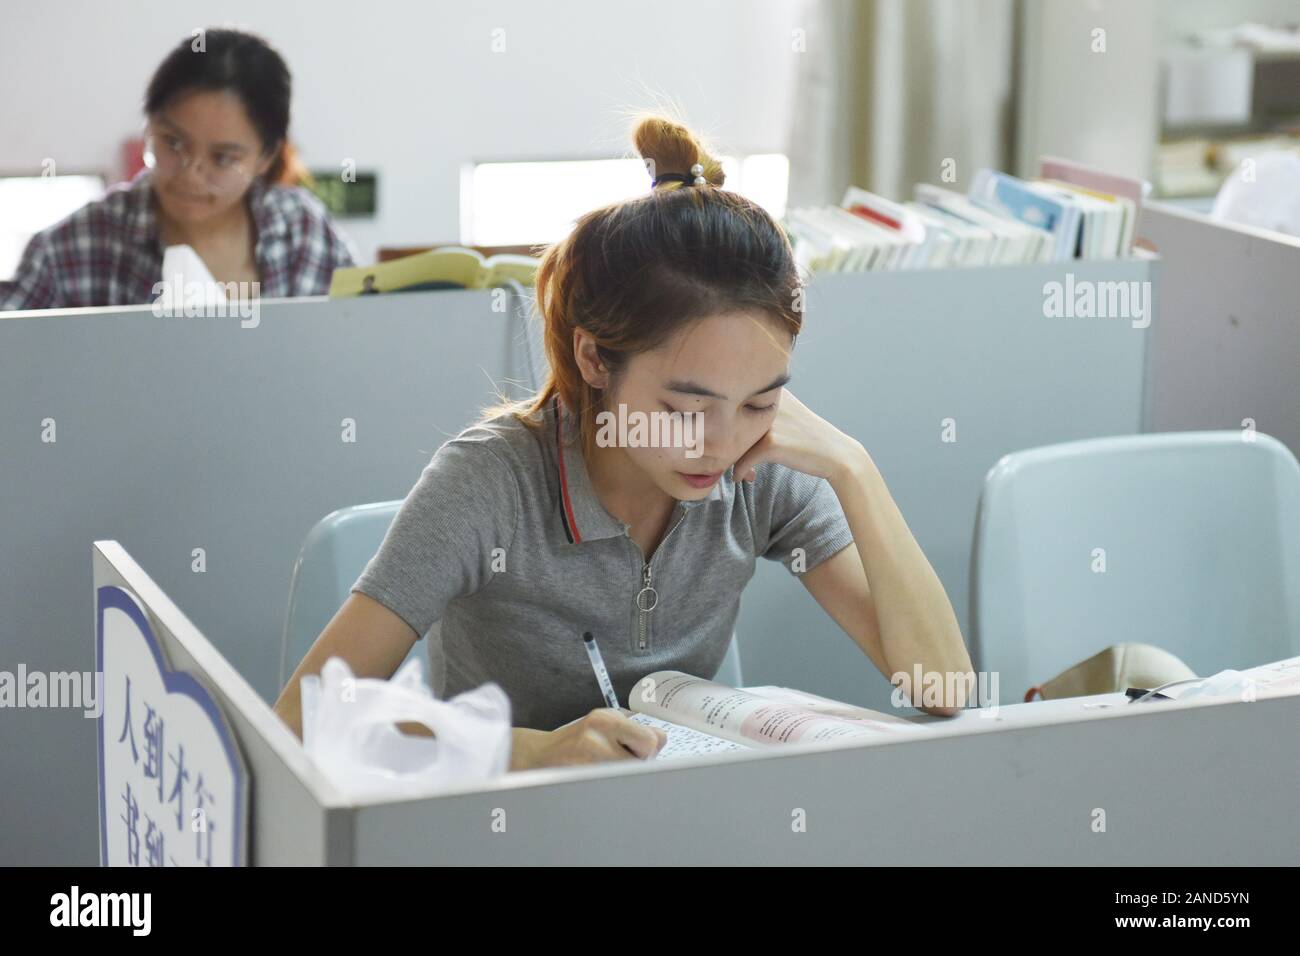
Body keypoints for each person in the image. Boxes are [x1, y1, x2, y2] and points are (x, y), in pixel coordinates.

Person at [274, 115, 973, 770]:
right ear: (594, 361)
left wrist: (855, 468)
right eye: (684, 407)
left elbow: (942, 687)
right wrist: (536, 752)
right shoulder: (488, 483)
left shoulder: (763, 469)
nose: (721, 446)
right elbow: (305, 720)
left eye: (761, 401)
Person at [0, 29, 354, 311]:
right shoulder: (72, 250)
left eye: (223, 158)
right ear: (148, 127)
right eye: (172, 143)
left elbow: (358, 342)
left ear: (265, 157)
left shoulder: (304, 235)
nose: (190, 174)